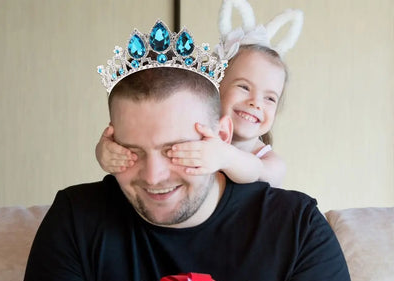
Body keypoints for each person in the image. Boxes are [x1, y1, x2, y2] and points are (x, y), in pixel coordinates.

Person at [5, 19, 376, 281]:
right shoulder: (79, 217)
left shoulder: (294, 222)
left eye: (175, 150)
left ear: (221, 135)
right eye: (132, 151)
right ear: (110, 141)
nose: (153, 177)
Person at [94, 1, 303, 188]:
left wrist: (225, 157)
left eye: (270, 98)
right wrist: (106, 153)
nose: (256, 103)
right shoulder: (192, 131)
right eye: (244, 88)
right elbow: (150, 145)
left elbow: (259, 173)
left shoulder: (269, 162)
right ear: (214, 88)